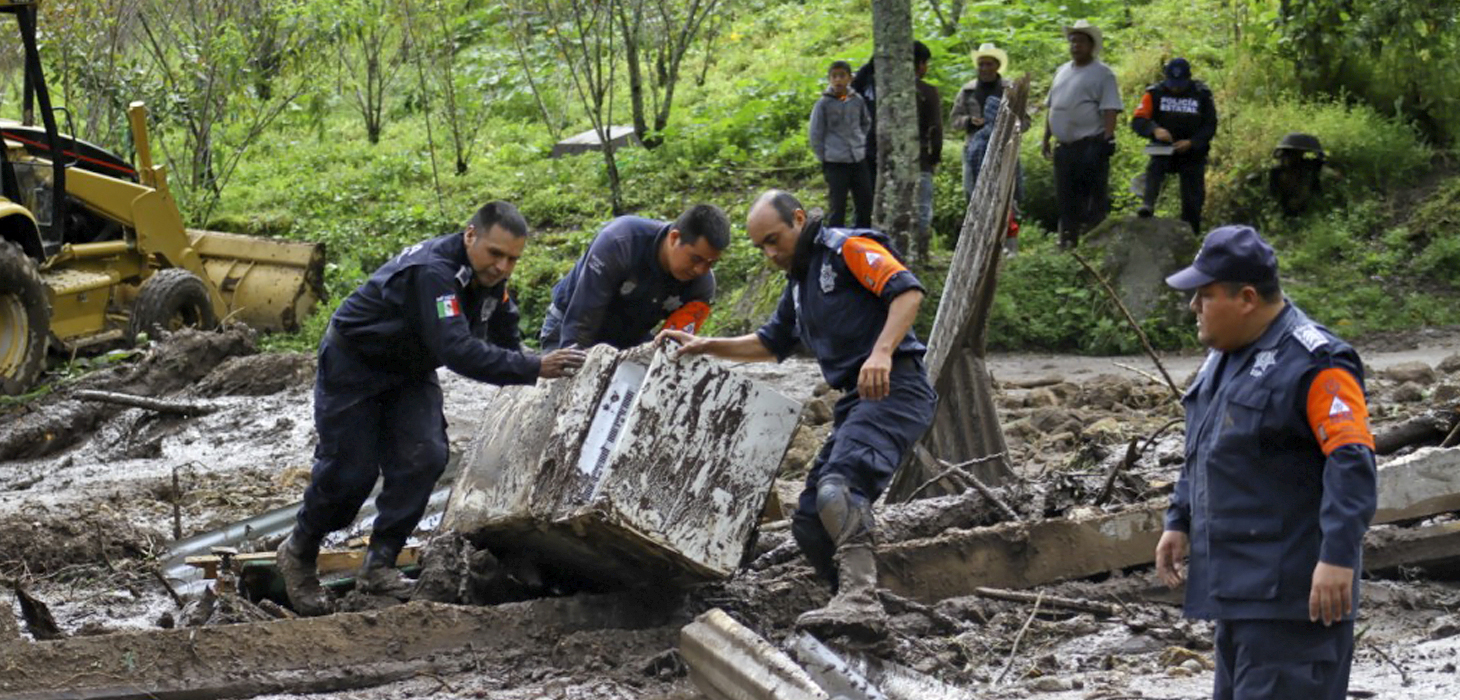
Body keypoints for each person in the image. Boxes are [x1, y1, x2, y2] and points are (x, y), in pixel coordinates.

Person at [276, 202, 587, 615]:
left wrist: (527, 367)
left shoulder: (490, 277)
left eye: (513, 258)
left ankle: (379, 564)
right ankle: (299, 550)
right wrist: (533, 367)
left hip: (410, 368)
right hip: (357, 362)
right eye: (495, 254)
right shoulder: (434, 273)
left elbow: (503, 325)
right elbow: (457, 350)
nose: (502, 266)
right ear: (469, 235)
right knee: (351, 473)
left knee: (425, 456)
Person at [658, 190, 936, 640]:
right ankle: (847, 604)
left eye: (774, 239)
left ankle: (862, 600)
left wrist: (883, 352)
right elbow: (771, 343)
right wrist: (706, 345)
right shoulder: (799, 285)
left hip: (895, 387)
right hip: (857, 399)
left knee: (838, 487)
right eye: (761, 247)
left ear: (800, 219)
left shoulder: (848, 248)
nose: (771, 253)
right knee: (808, 519)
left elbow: (906, 291)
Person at [1155, 225, 1377, 700]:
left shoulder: (1317, 363)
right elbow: (1207, 446)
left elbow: (1351, 460)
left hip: (1295, 601)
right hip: (1238, 594)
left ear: (1247, 298)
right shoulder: (1225, 356)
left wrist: (1338, 556)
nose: (1193, 307)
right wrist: (1179, 518)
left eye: (1204, 295)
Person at [539, 205, 729, 350]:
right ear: (674, 238)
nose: (700, 270)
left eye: (711, 263)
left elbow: (673, 348)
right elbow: (580, 325)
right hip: (569, 324)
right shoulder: (620, 243)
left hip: (629, 341)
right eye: (696, 259)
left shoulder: (701, 288)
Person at [1042, 19, 1123, 248]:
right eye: (1072, 41)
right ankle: (1067, 241)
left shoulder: (1103, 74)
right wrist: (1046, 137)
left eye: (1080, 41)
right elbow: (1053, 107)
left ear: (1091, 45)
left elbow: (1110, 108)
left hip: (1090, 143)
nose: (1075, 45)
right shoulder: (1062, 71)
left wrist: (1108, 137)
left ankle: (1093, 244)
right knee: (1066, 196)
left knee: (1092, 197)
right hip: (1064, 146)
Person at [1131, 57, 1218, 234]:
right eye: (1172, 83)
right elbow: (1138, 120)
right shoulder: (1154, 93)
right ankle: (1147, 205)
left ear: (1189, 78)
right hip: (1162, 148)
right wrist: (1154, 130)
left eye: (1180, 83)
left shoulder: (1202, 94)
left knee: (1193, 198)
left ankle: (1191, 232)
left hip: (1192, 152)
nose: (1176, 87)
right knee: (1155, 168)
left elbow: (1210, 125)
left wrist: (1193, 142)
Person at [809, 60, 874, 228]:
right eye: (834, 76)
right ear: (829, 79)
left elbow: (866, 122)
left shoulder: (857, 100)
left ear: (850, 78)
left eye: (842, 76)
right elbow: (816, 133)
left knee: (865, 202)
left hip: (858, 159)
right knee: (837, 206)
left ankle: (862, 237)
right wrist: (824, 156)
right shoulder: (823, 104)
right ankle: (836, 243)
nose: (838, 80)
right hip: (835, 162)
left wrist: (859, 141)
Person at [951, 43, 1014, 200]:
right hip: (973, 146)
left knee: (1001, 195)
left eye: (989, 64)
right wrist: (969, 121)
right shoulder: (967, 91)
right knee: (972, 192)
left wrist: (1006, 124)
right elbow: (954, 119)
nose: (984, 68)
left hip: (1003, 148)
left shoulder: (1009, 89)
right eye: (981, 64)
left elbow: (1024, 121)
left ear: (997, 66)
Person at [914, 41, 943, 255]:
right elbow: (937, 128)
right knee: (923, 208)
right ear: (921, 64)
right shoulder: (928, 91)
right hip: (922, 157)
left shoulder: (887, 90)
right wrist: (935, 155)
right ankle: (921, 252)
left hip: (889, 160)